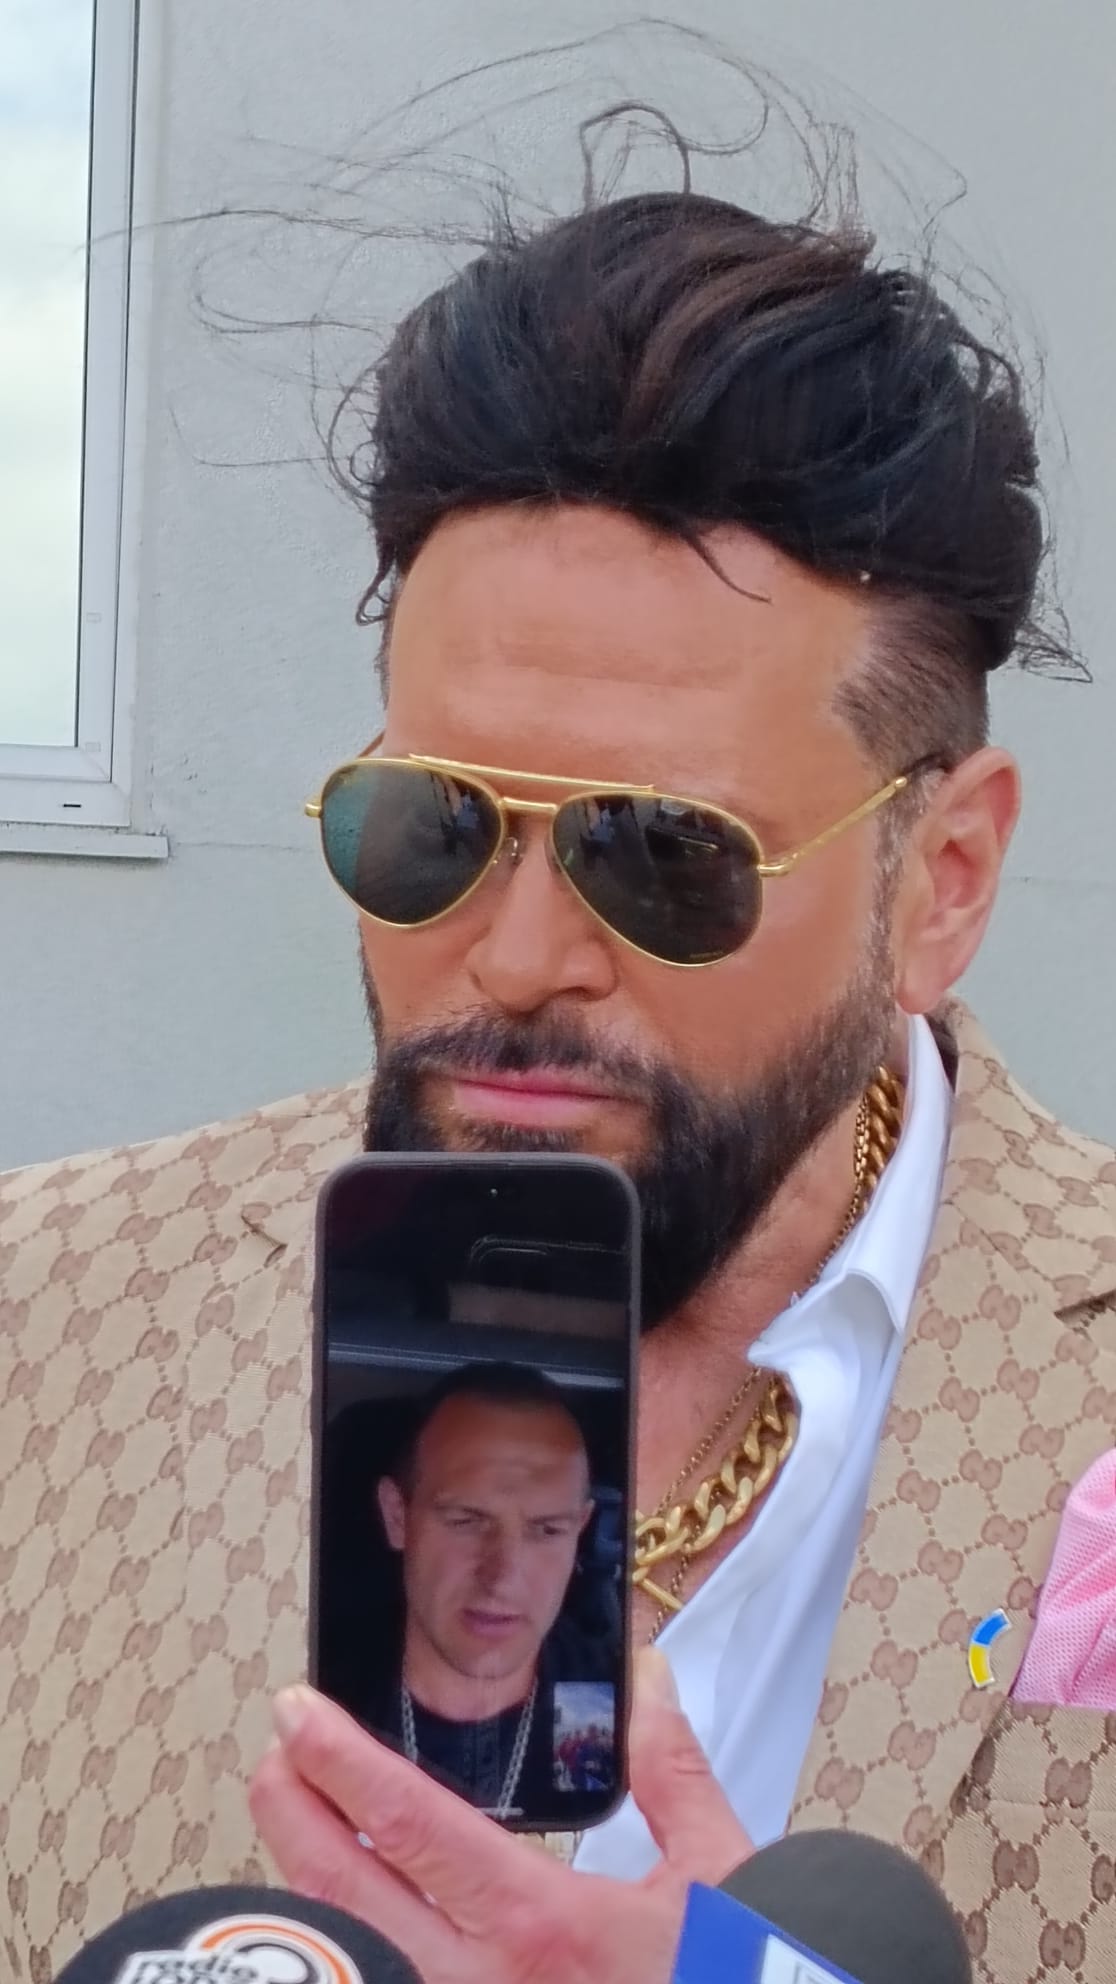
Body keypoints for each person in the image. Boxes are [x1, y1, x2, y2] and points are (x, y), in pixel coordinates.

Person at [2, 165, 1115, 1984]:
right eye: (432, 825)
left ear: (944, 881)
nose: (517, 958)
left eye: (660, 853)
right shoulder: (38, 1316)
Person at [355, 1363, 610, 1816]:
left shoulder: (607, 1712)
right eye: (467, 1522)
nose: (503, 1578)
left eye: (548, 1530)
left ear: (580, 1528)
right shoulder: (326, 1695)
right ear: (397, 1516)